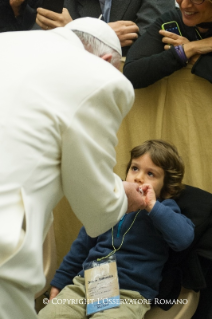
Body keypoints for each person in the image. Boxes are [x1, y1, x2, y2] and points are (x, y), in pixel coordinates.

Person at [0, 17, 146, 319]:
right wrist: (123, 195)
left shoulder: (8, 43)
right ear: (107, 62)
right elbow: (99, 211)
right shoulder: (99, 76)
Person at [38, 139, 195, 319]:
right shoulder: (111, 205)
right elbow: (81, 246)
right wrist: (58, 284)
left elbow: (183, 239)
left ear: (166, 187)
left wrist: (152, 206)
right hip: (86, 285)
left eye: (150, 173)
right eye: (135, 168)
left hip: (129, 295)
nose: (138, 177)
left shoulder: (165, 209)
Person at [0, 0, 176, 56]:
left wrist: (80, 32)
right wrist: (101, 32)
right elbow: (50, 39)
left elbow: (152, 39)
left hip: (137, 91)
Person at [124, 0, 212, 88]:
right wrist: (190, 49)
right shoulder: (172, 20)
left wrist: (194, 57)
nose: (184, 5)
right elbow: (131, 74)